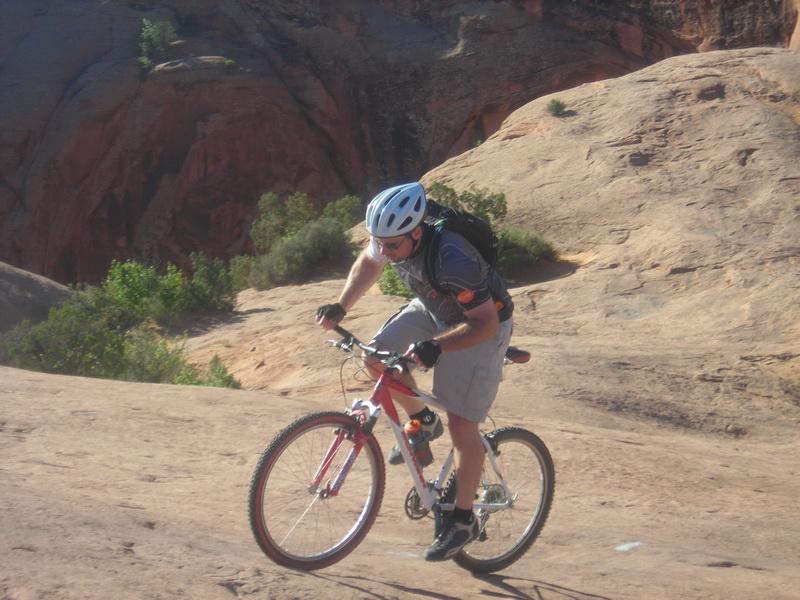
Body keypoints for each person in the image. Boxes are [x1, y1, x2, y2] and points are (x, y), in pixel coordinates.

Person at [316, 181, 513, 561]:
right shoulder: (390, 237)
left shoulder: (452, 257)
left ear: (417, 233)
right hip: (434, 309)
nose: (386, 253)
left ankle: (462, 521)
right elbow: (369, 262)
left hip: (480, 327)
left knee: (461, 425)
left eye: (393, 246)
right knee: (374, 357)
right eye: (381, 242)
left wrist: (436, 347)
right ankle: (422, 420)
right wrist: (342, 306)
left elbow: (485, 322)